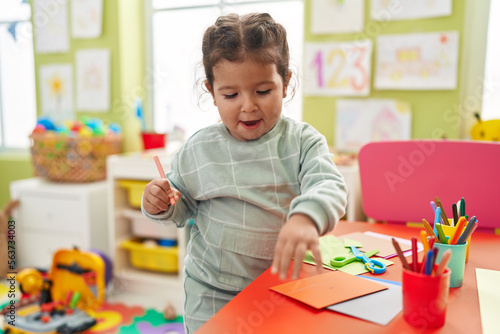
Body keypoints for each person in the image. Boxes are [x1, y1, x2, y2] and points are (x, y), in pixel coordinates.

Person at [142, 12, 348, 333]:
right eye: (230, 95)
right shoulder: (199, 149)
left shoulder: (302, 141)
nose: (248, 106)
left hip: (285, 289)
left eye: (263, 91)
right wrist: (161, 203)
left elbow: (329, 185)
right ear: (211, 92)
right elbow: (180, 206)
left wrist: (306, 218)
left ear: (286, 83)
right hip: (211, 291)